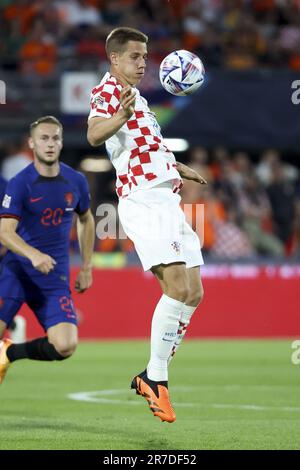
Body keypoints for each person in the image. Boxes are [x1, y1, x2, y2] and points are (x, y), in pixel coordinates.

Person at [87, 27, 206, 423]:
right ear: (115, 60)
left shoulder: (140, 100)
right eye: (135, 57)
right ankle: (156, 378)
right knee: (175, 287)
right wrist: (119, 115)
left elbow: (148, 146)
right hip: (143, 199)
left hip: (166, 196)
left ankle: (151, 374)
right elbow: (93, 134)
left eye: (145, 56)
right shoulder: (108, 92)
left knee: (193, 292)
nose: (142, 63)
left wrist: (176, 167)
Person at [0, 115, 95, 384]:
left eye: (55, 138)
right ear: (32, 143)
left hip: (54, 278)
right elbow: (5, 233)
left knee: (65, 346)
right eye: (44, 138)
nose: (50, 144)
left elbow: (87, 220)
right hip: (16, 273)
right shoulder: (20, 183)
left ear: (62, 142)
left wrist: (87, 266)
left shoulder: (75, 181)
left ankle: (10, 351)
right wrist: (33, 254)